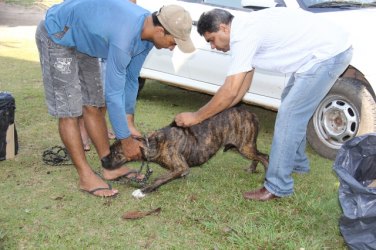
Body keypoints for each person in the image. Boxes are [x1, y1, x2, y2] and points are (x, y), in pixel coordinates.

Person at [174, 8, 352, 201]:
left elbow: (230, 90)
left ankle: (277, 186)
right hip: (322, 54)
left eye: (212, 40)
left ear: (224, 28)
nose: (212, 47)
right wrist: (210, 116)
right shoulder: (244, 30)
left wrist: (196, 116)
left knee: (289, 115)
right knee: (291, 106)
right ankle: (297, 164)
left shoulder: (243, 36)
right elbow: (240, 90)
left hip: (328, 54)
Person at [35, 0, 195, 197]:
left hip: (86, 41)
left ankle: (109, 167)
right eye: (174, 42)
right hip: (58, 32)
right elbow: (113, 94)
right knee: (70, 111)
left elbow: (130, 78)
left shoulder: (147, 36)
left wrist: (129, 123)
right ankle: (85, 176)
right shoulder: (125, 37)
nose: (173, 48)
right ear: (161, 31)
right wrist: (125, 140)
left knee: (93, 104)